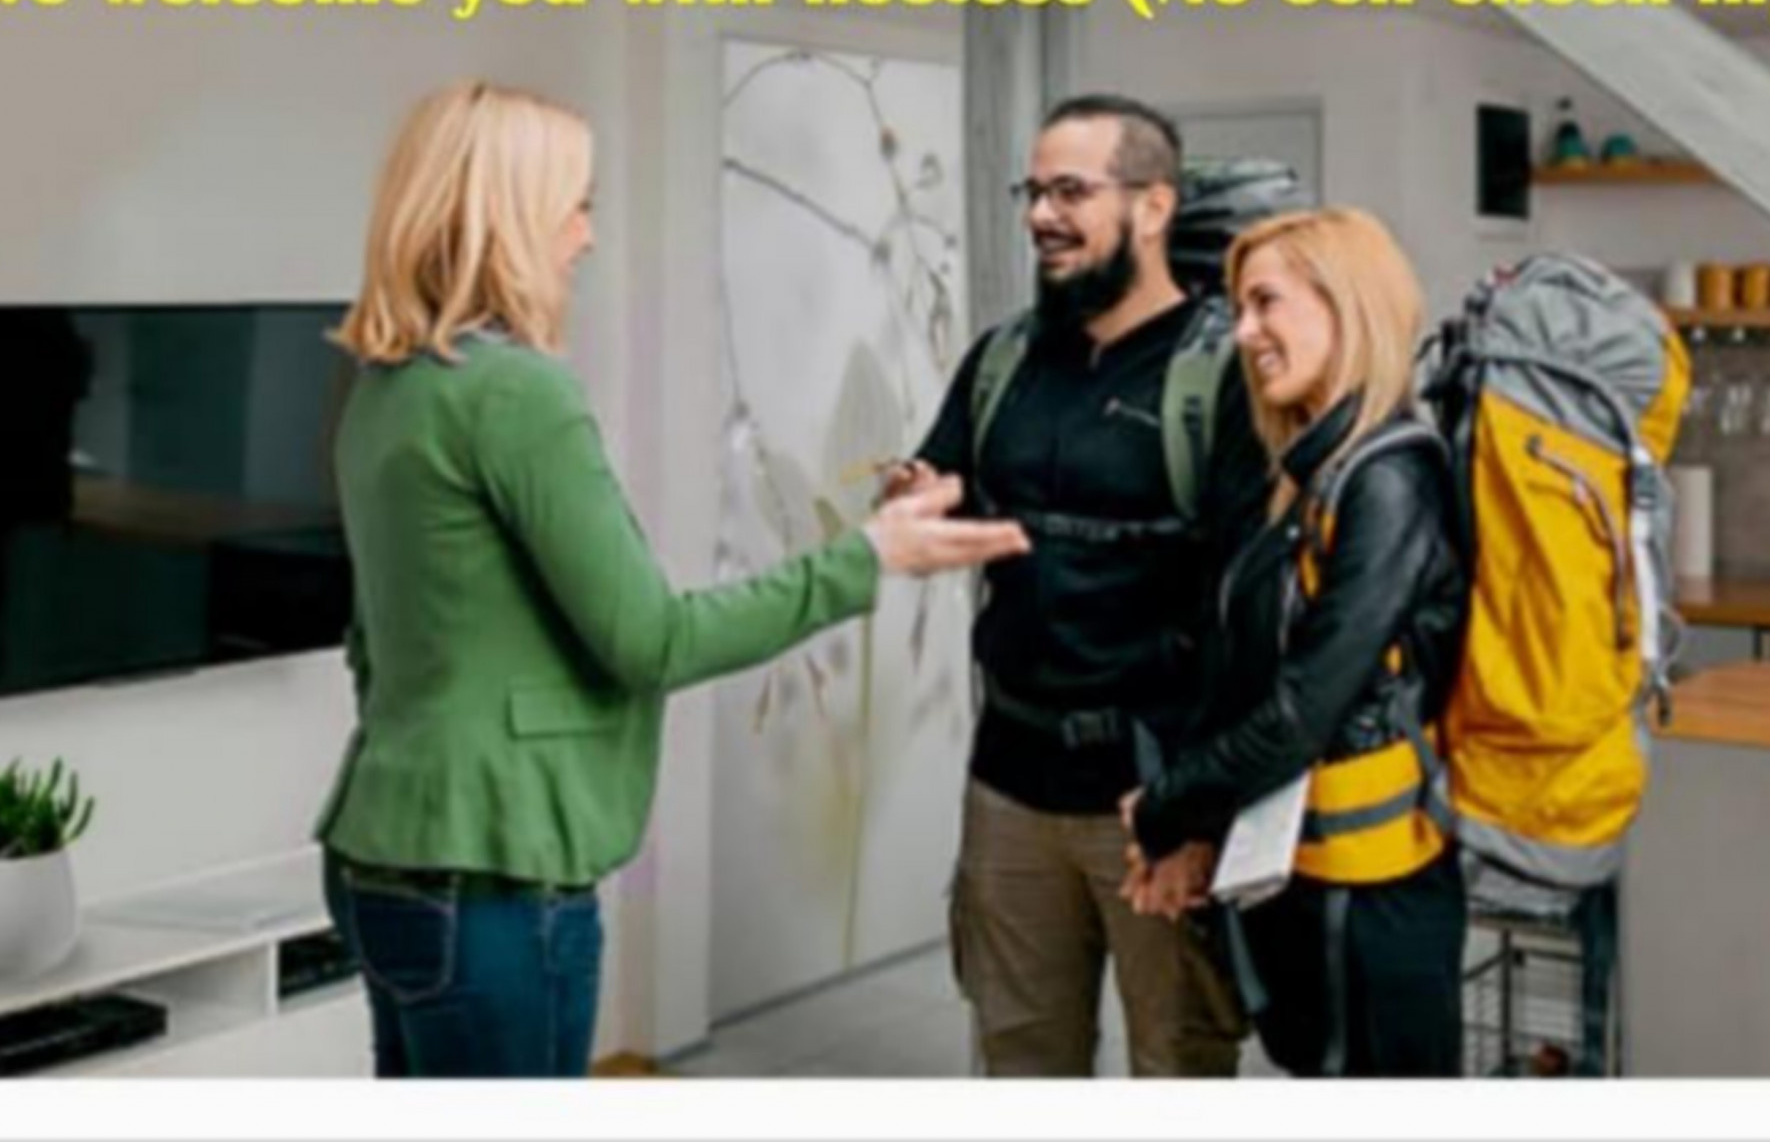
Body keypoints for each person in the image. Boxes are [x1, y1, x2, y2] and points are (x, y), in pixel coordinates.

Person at [314, 80, 1028, 1079]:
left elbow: (375, 640)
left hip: (385, 852)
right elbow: (653, 638)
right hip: (494, 876)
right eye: (576, 205)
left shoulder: (388, 385)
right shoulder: (517, 393)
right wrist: (866, 556)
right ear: (507, 217)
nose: (587, 236)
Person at [887, 94, 1270, 1078]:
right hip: (1008, 785)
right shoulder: (1002, 358)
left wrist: (1196, 814)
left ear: (1153, 207)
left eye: (1069, 191)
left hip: (1153, 799)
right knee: (1019, 1061)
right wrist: (917, 498)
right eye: (1032, 191)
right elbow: (942, 486)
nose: (1040, 215)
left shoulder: (1223, 377)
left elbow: (1252, 615)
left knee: (1178, 1067)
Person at [1119, 207, 1470, 1079]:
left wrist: (1167, 806)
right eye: (1240, 307)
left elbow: (1300, 710)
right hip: (1309, 885)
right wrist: (1190, 829)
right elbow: (1246, 667)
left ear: (1345, 304)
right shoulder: (1313, 476)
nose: (1244, 332)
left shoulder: (1391, 480)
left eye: (1266, 302)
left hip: (1372, 905)